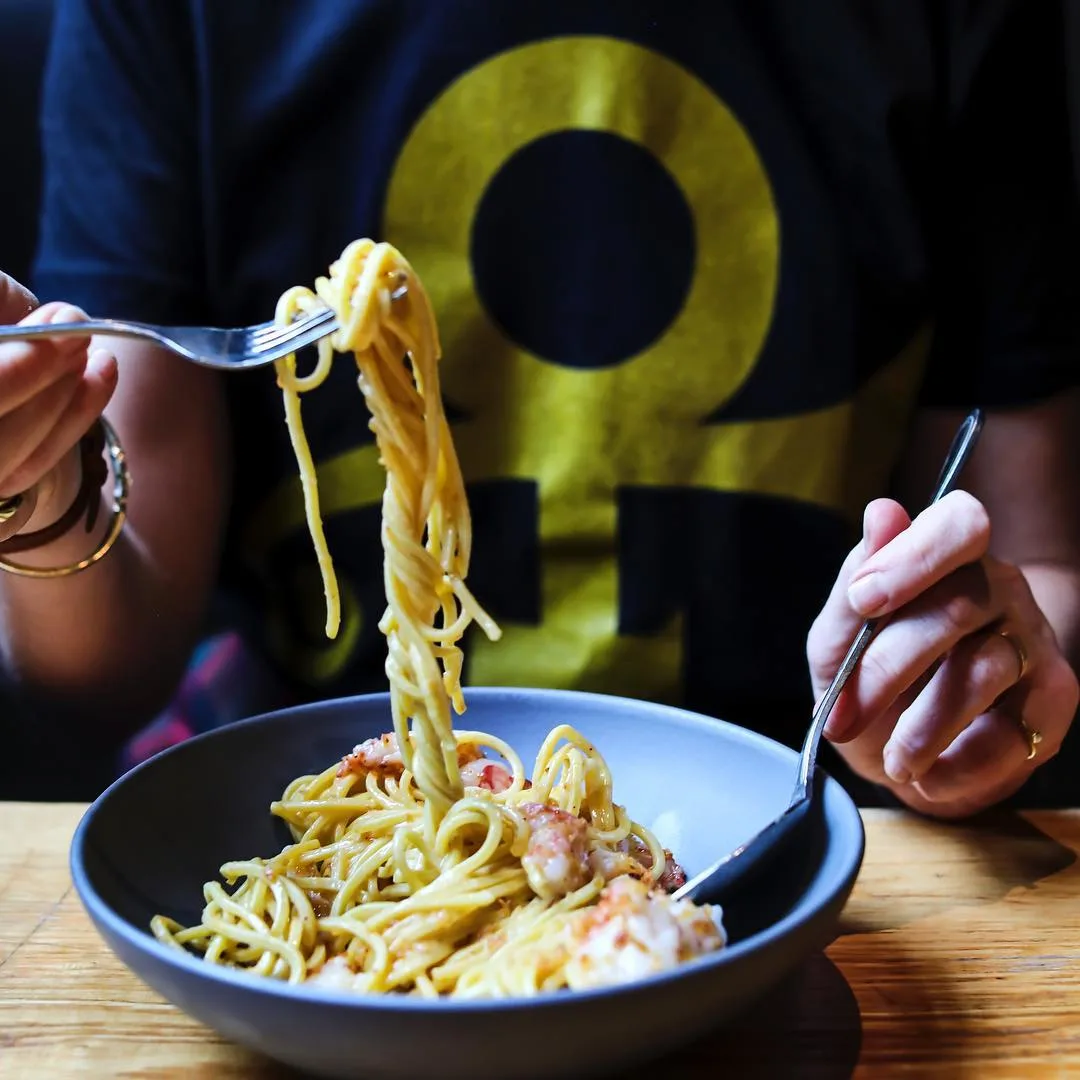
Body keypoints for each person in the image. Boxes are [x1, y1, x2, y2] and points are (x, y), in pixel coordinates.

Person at [1, 0, 1078, 814]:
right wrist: (39, 496)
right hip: (309, 785)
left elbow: (1042, 563)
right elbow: (106, 657)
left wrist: (956, 687)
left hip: (805, 809)